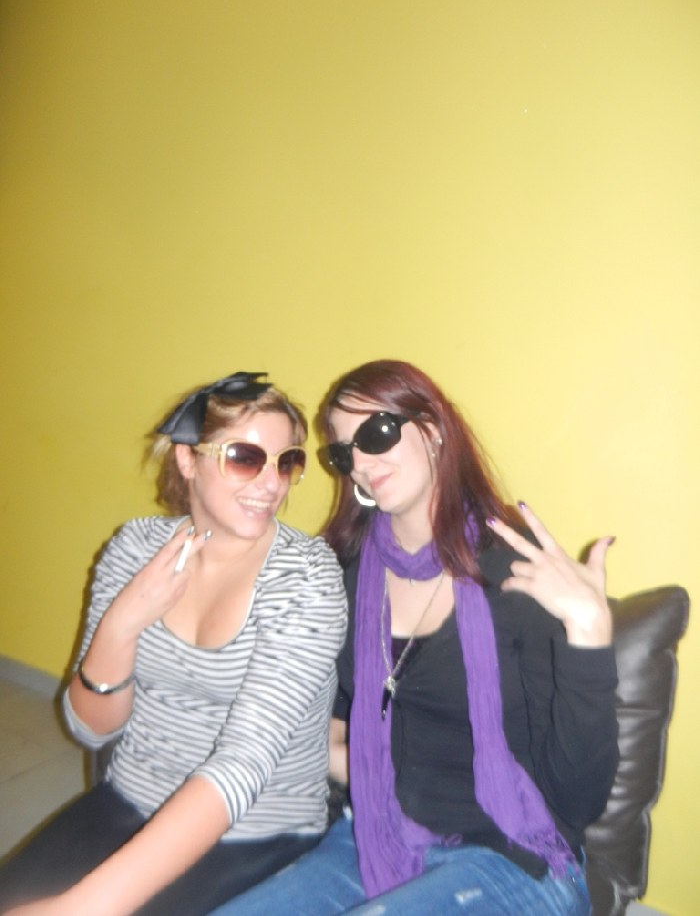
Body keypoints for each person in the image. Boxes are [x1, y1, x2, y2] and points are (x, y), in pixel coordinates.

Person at [214, 359, 619, 915]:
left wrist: (591, 632)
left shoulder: (516, 572)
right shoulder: (349, 573)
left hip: (514, 855)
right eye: (344, 453)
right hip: (376, 837)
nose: (361, 463)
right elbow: (333, 722)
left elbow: (579, 799)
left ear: (431, 430)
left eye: (377, 433)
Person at [0, 371, 347, 916]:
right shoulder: (135, 548)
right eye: (245, 458)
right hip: (130, 797)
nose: (271, 484)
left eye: (287, 462)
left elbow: (243, 766)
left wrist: (83, 907)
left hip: (257, 828)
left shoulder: (305, 578)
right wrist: (123, 621)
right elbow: (92, 730)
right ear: (187, 459)